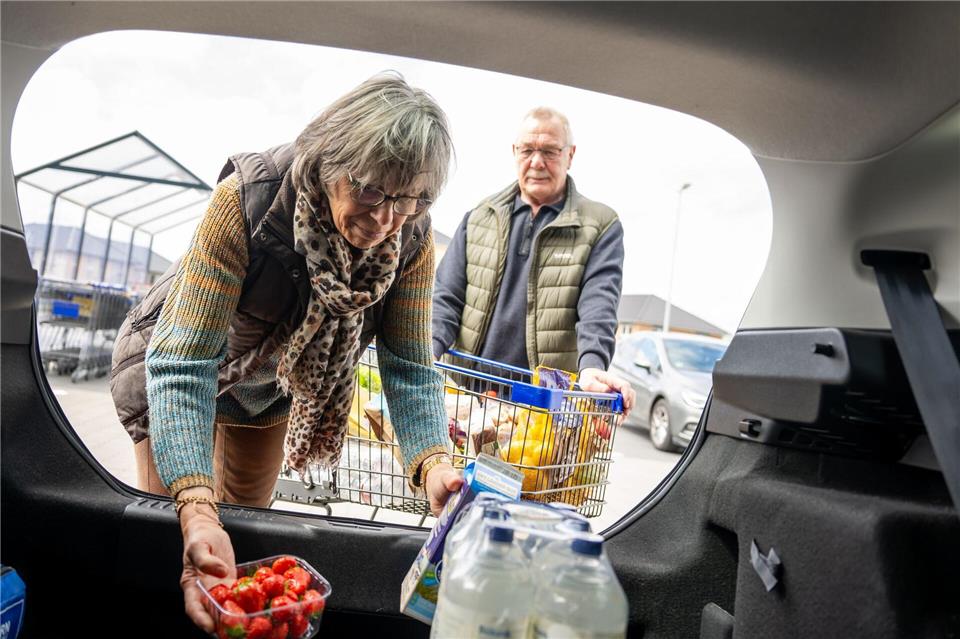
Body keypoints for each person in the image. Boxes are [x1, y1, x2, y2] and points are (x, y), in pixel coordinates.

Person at [109, 73, 462, 633]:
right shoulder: (248, 200)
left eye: (410, 198)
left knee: (248, 533)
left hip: (268, 389)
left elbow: (411, 366)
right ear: (328, 161)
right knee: (180, 532)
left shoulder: (411, 239)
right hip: (173, 368)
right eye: (370, 190)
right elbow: (186, 360)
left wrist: (434, 463)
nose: (385, 218)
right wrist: (198, 509)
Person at [433, 107, 636, 414]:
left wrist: (592, 365)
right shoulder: (478, 217)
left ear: (570, 155)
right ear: (515, 152)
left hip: (538, 409)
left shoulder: (599, 225)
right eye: (527, 150)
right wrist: (426, 351)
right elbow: (445, 298)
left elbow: (598, 307)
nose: (537, 161)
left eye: (550, 151)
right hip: (467, 398)